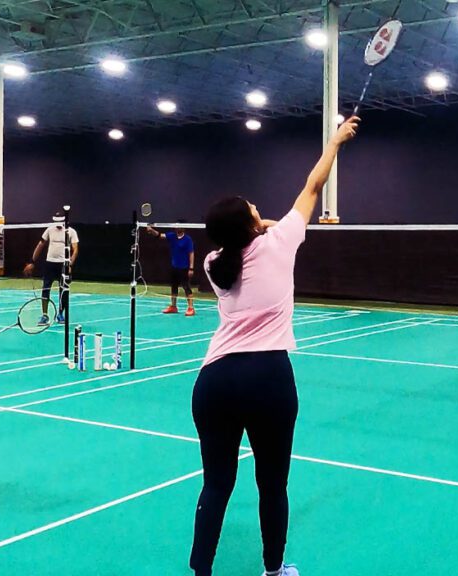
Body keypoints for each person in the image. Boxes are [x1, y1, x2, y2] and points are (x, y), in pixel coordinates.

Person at [189, 116, 360, 576]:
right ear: (250, 222)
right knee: (272, 484)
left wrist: (252, 223)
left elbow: (238, 241)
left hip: (214, 381)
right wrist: (336, 141)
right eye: (253, 207)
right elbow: (314, 183)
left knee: (216, 485)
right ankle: (273, 570)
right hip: (267, 379)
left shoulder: (211, 262)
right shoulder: (281, 241)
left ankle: (200, 571)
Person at [24, 212, 79, 325]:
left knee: (63, 291)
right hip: (50, 264)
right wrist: (32, 261)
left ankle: (60, 314)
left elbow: (75, 250)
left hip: (63, 265)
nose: (58, 224)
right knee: (45, 289)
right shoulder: (49, 230)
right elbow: (40, 245)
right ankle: (44, 316)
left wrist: (70, 264)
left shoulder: (71, 232)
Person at [146, 221, 196, 316]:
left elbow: (191, 253)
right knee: (174, 287)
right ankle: (173, 306)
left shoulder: (187, 239)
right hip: (174, 267)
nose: (177, 227)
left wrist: (191, 268)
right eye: (176, 226)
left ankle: (191, 308)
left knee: (186, 287)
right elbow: (159, 235)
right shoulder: (172, 236)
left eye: (179, 226)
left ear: (184, 228)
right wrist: (151, 230)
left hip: (184, 267)